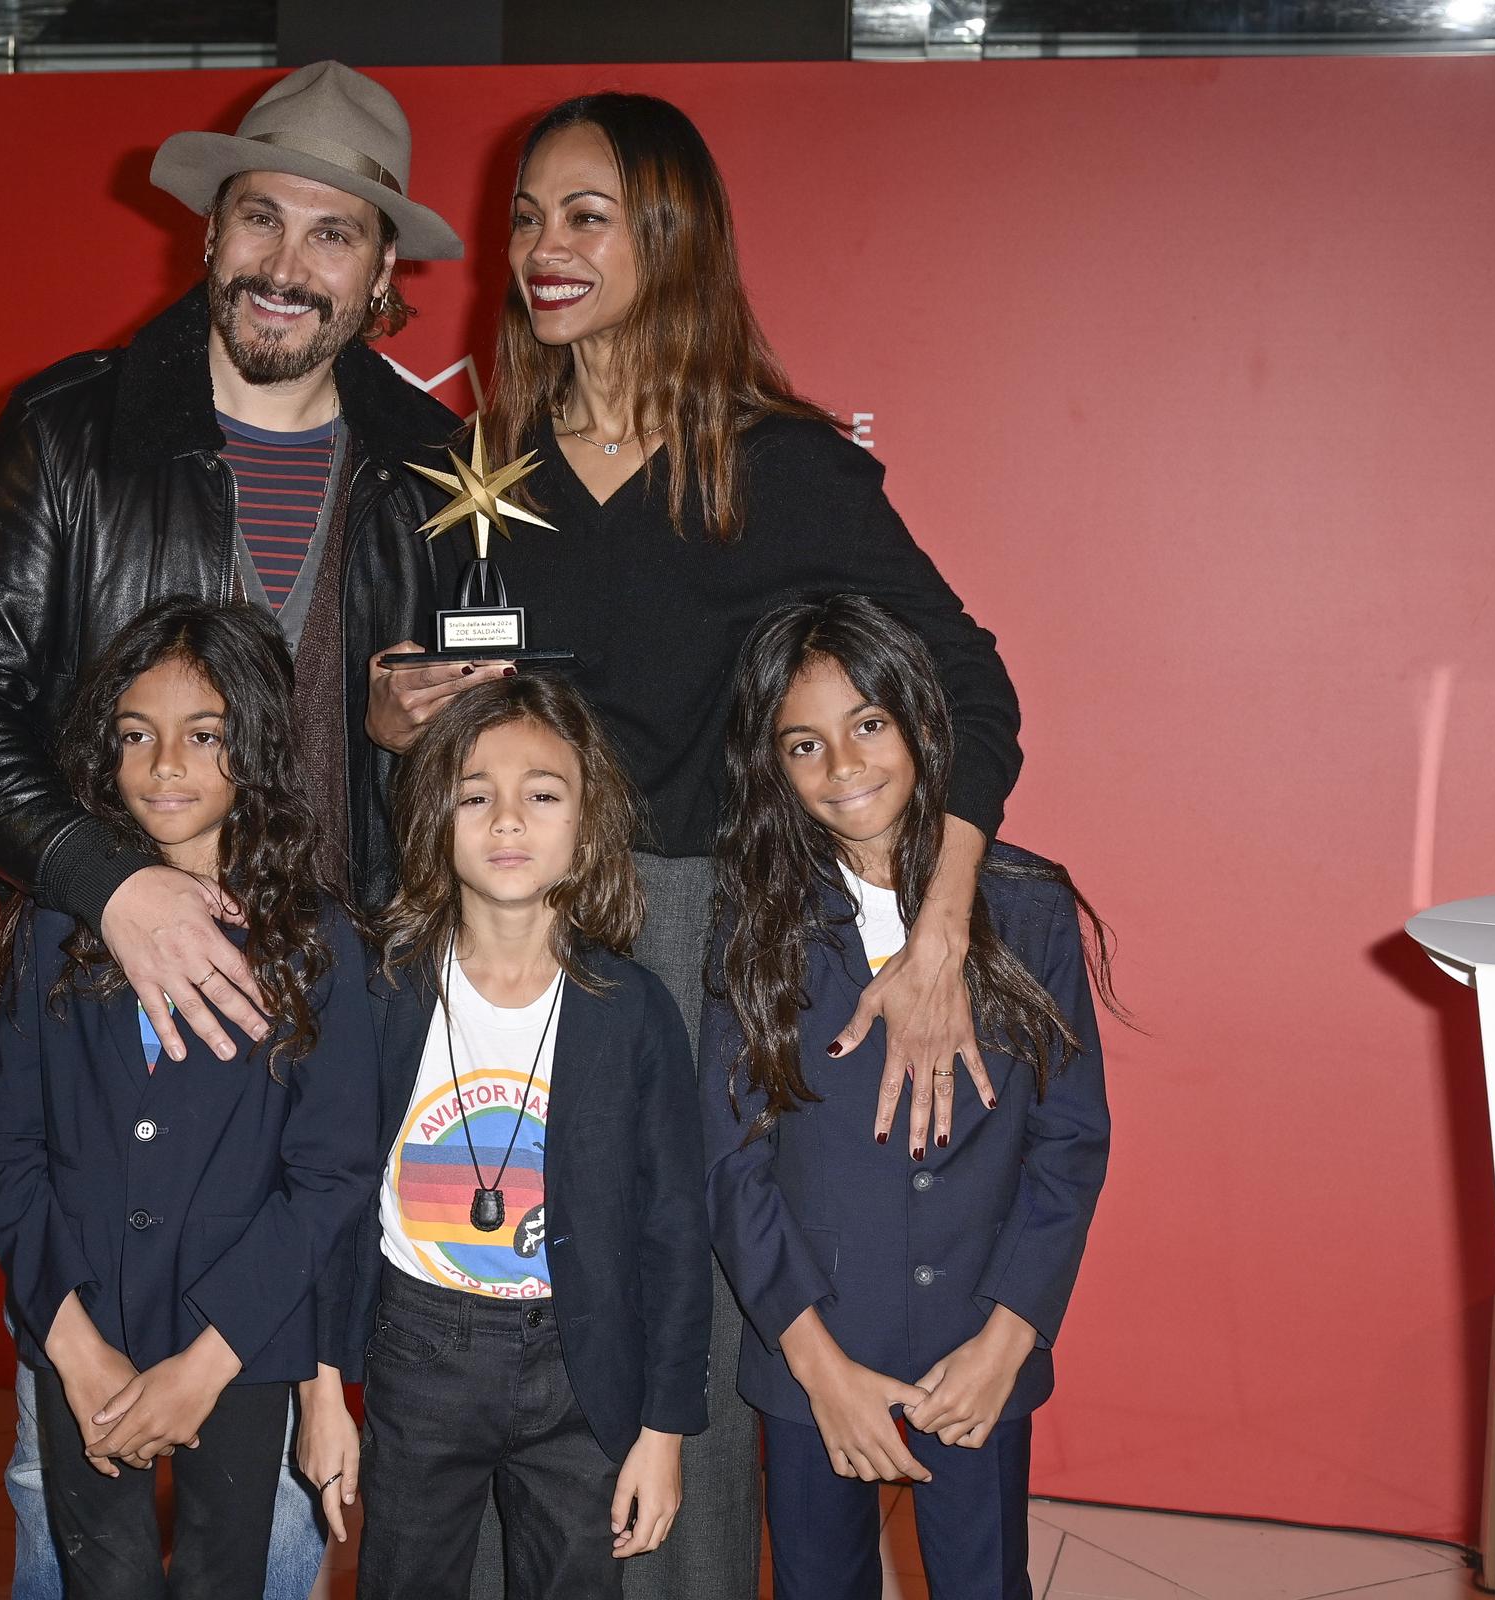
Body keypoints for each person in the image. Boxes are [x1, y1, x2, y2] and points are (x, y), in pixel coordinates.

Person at [365, 91, 1028, 1600]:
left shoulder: (780, 466)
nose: (542, 247)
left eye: (585, 215)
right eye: (528, 215)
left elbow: (970, 689)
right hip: (503, 945)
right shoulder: (488, 466)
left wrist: (935, 934)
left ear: (669, 236)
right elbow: (446, 712)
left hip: (697, 947)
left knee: (689, 1315)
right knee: (488, 1290)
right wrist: (395, 716)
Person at [0, 61, 465, 1598]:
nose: (289, 262)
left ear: (381, 273)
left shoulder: (432, 476)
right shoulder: (72, 432)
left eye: (333, 235)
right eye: (260, 217)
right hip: (100, 1011)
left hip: (314, 1041)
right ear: (210, 232)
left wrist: (412, 742)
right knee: (67, 1464)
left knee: (272, 1484)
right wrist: (111, 885)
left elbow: (453, 755)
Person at [702, 596, 1115, 1600]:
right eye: (805, 743)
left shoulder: (1026, 905)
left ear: (923, 722)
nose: (843, 764)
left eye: (868, 724)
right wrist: (812, 1360)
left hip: (978, 1350)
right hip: (816, 1365)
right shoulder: (754, 923)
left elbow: (1069, 1140)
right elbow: (730, 1159)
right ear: (773, 766)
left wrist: (1009, 1337)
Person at [0, 598, 381, 1600]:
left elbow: (330, 1179)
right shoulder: (49, 929)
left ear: (257, 746)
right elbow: (8, 1155)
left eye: (204, 737)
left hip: (238, 1338)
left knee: (223, 1577)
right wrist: (71, 1345)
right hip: (83, 1324)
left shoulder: (319, 945)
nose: (164, 767)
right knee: (98, 1576)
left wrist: (208, 1363)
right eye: (136, 737)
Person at [331, 674, 710, 1600]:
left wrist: (662, 1430)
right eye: (474, 794)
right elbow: (332, 1199)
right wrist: (320, 1389)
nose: (507, 820)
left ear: (588, 821)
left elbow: (674, 1230)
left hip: (581, 1368)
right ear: (432, 817)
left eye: (542, 794)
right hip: (417, 1354)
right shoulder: (383, 992)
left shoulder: (634, 1012)